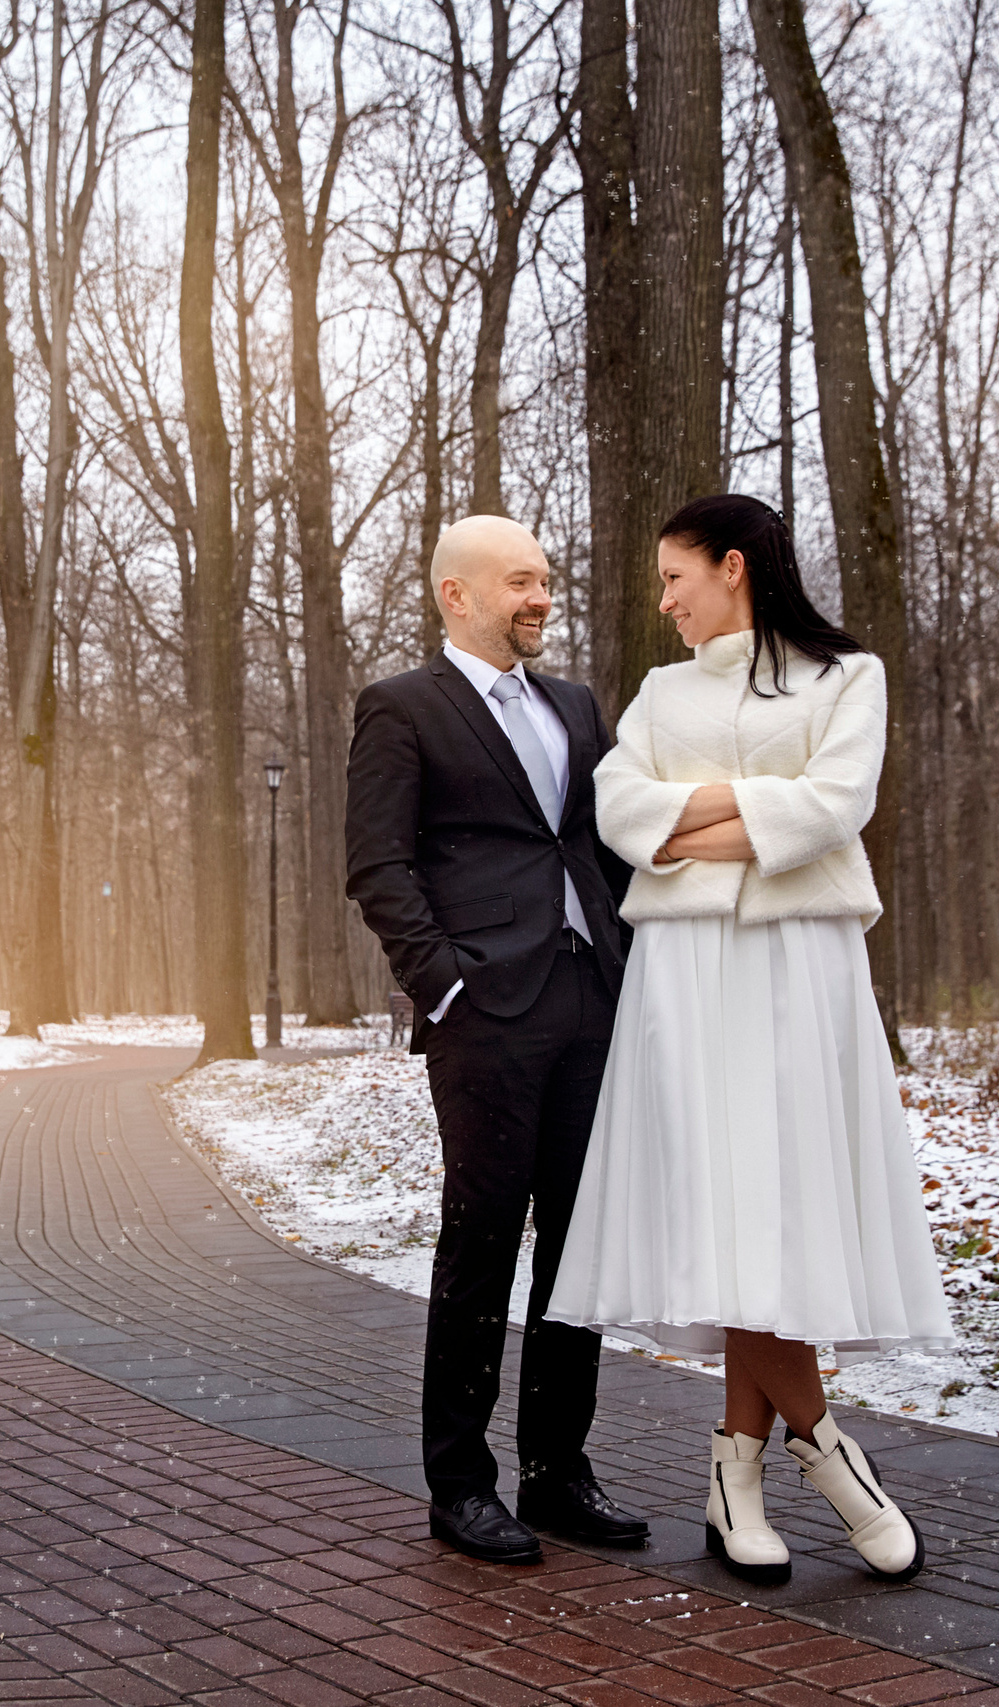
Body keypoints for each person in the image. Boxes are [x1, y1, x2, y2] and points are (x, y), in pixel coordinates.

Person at [548, 494, 953, 1585]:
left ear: (731, 568)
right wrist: (750, 815)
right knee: (727, 1208)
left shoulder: (844, 678)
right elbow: (619, 807)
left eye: (675, 578)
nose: (664, 602)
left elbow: (836, 803)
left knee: (776, 1207)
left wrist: (697, 819)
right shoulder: (662, 691)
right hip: (684, 978)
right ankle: (825, 1456)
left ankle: (738, 1473)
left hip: (798, 969)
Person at [345, 515, 648, 1565]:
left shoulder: (574, 706)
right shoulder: (401, 709)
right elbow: (378, 866)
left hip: (588, 1006)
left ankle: (557, 1473)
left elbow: (605, 847)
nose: (541, 597)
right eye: (520, 581)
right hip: (485, 1018)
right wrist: (444, 987)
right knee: (480, 1244)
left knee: (580, 1243)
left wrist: (625, 961)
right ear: (456, 595)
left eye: (546, 580)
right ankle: (460, 1486)